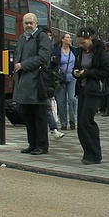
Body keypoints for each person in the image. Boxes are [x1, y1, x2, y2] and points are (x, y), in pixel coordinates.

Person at [13, 13, 53, 155]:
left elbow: (43, 57)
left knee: (39, 116)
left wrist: (23, 65)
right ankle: (32, 144)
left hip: (37, 83)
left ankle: (42, 145)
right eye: (26, 23)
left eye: (31, 23)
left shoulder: (41, 37)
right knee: (28, 116)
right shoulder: (22, 38)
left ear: (36, 23)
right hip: (24, 83)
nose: (28, 25)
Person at [72, 26, 109, 164]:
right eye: (80, 43)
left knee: (87, 120)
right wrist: (76, 72)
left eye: (84, 42)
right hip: (82, 89)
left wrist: (87, 73)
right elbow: (76, 67)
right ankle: (87, 152)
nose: (82, 45)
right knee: (81, 124)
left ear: (90, 39)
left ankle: (95, 153)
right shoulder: (80, 52)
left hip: (94, 90)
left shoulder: (100, 52)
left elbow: (107, 72)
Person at [54, 33, 78, 131]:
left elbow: (78, 62)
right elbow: (53, 63)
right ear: (63, 40)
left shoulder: (74, 51)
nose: (69, 39)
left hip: (72, 78)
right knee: (61, 101)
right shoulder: (57, 51)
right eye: (67, 37)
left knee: (72, 99)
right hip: (60, 79)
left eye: (70, 38)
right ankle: (63, 123)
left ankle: (73, 121)